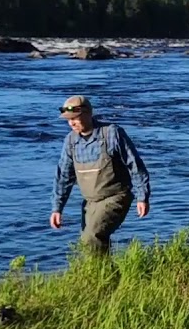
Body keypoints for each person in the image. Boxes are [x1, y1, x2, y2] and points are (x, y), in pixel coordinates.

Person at [49, 95, 151, 256]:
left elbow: (135, 165)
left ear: (88, 113)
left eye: (75, 118)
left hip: (116, 197)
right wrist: (57, 208)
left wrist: (142, 196)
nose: (71, 123)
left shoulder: (112, 133)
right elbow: (64, 176)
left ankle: (102, 277)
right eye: (68, 120)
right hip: (90, 203)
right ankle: (106, 277)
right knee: (87, 245)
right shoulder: (70, 141)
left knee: (92, 238)